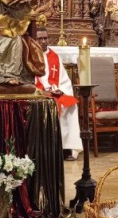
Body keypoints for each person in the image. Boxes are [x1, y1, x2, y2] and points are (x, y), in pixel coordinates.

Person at [34, 28, 82, 160]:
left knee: (71, 104)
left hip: (55, 91)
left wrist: (61, 90)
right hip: (38, 93)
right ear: (34, 39)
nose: (43, 41)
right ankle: (47, 150)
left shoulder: (54, 56)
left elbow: (64, 79)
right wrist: (42, 91)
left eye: (45, 38)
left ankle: (67, 148)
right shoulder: (30, 55)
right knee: (51, 105)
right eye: (40, 39)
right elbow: (29, 79)